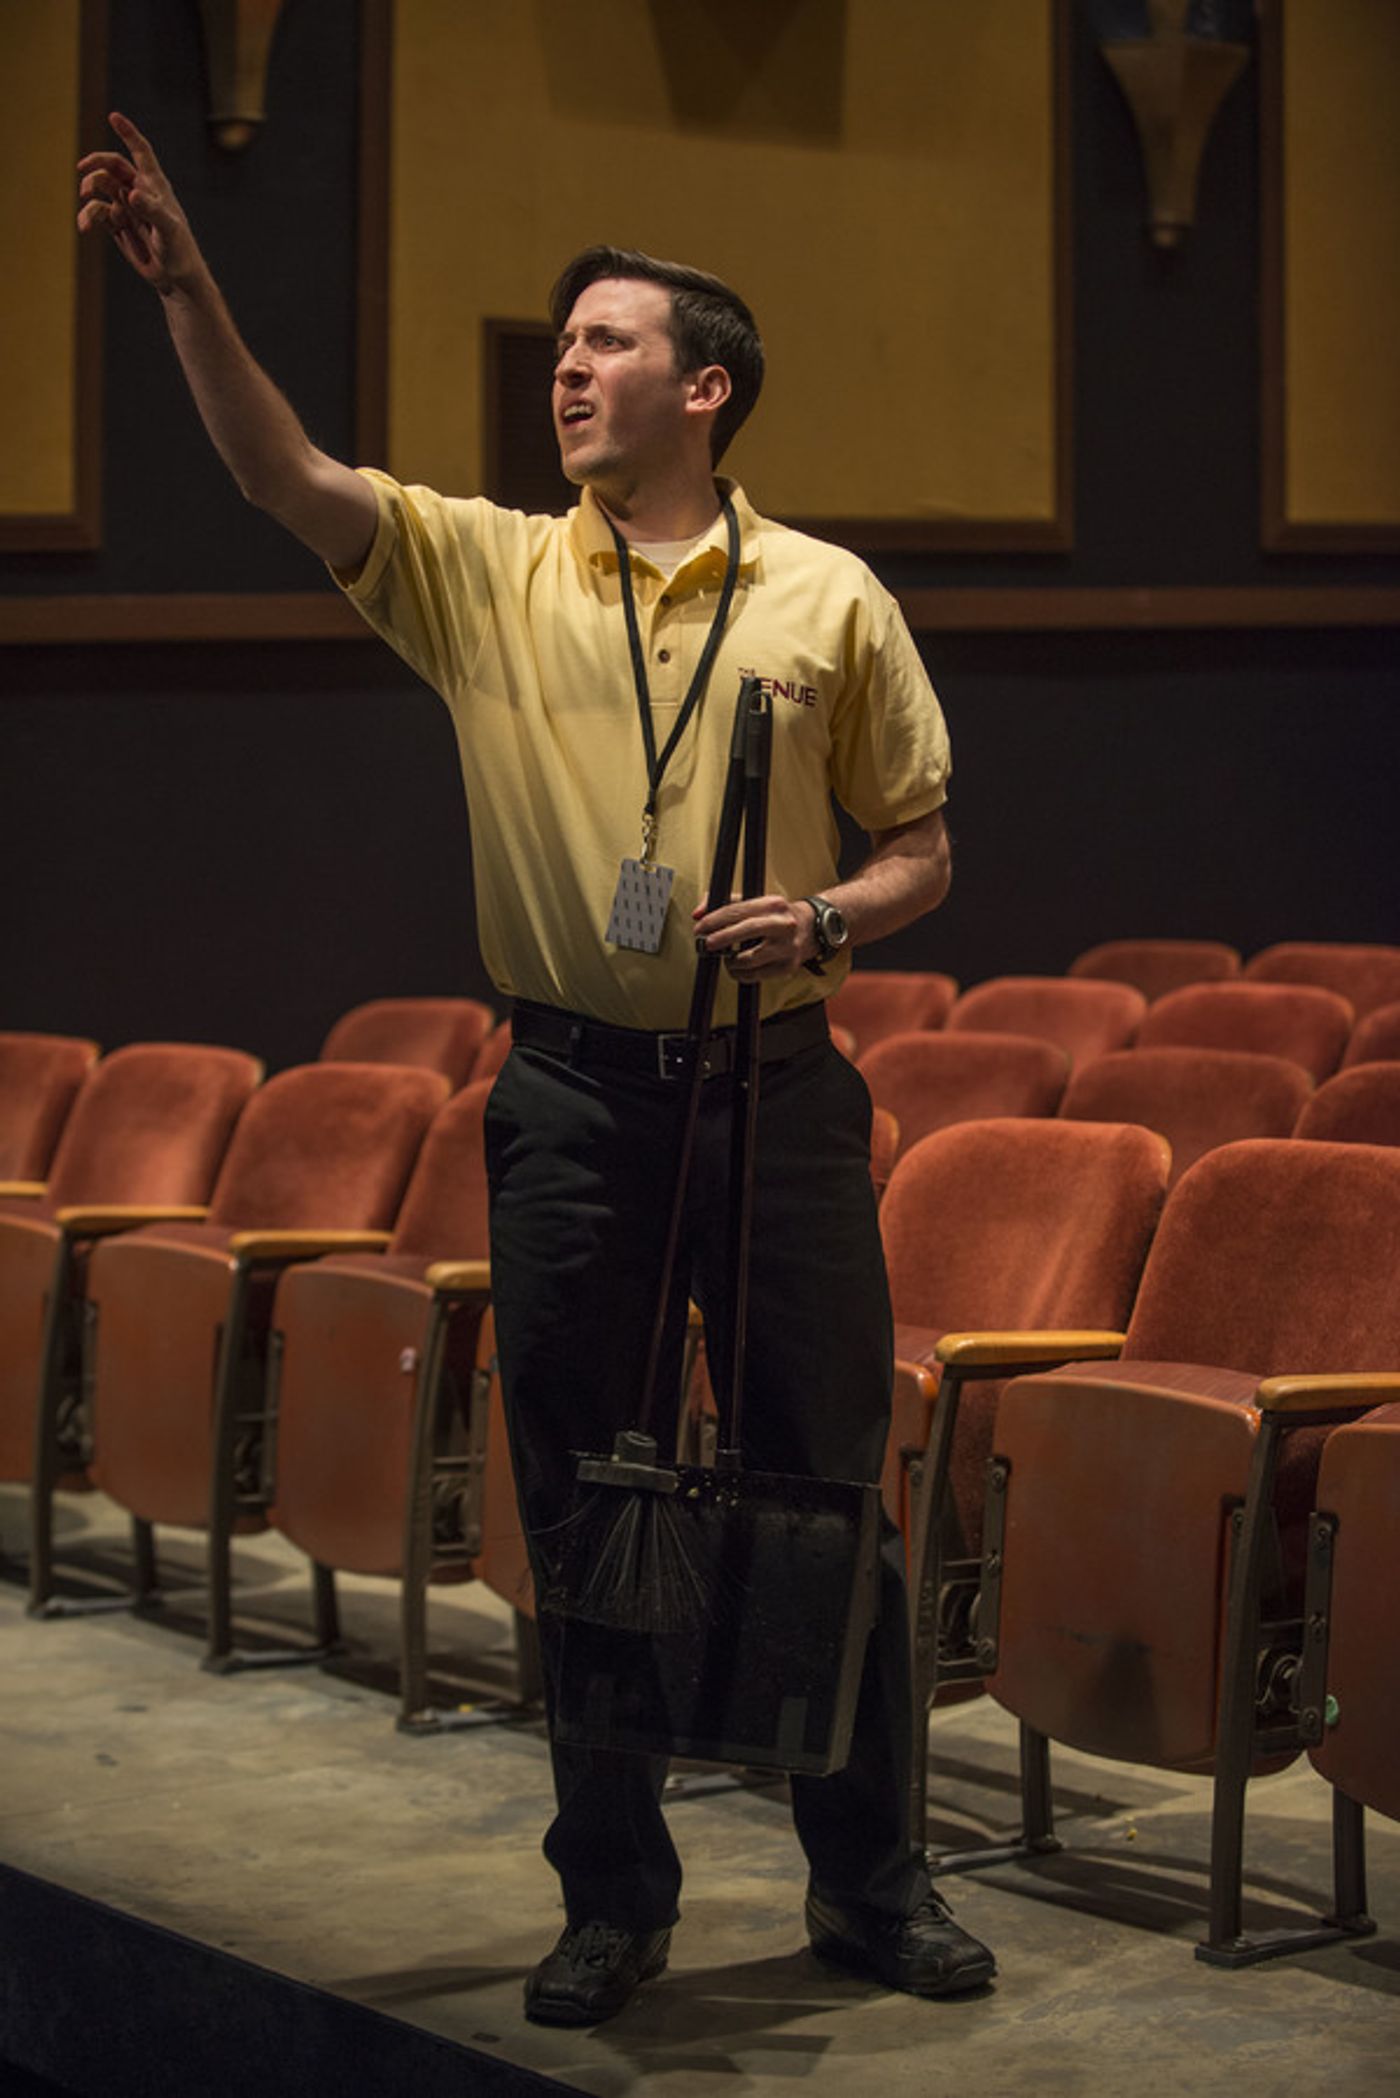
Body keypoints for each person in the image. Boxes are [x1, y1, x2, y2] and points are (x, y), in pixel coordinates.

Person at [78, 111, 997, 2026]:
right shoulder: (488, 571)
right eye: (566, 347)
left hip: (779, 1096)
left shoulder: (827, 596)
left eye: (607, 344)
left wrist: (830, 919)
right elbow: (283, 471)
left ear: (706, 387)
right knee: (585, 1485)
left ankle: (875, 1882)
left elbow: (921, 844)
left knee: (827, 1485)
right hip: (576, 1095)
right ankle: (617, 1894)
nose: (567, 369)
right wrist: (188, 291)